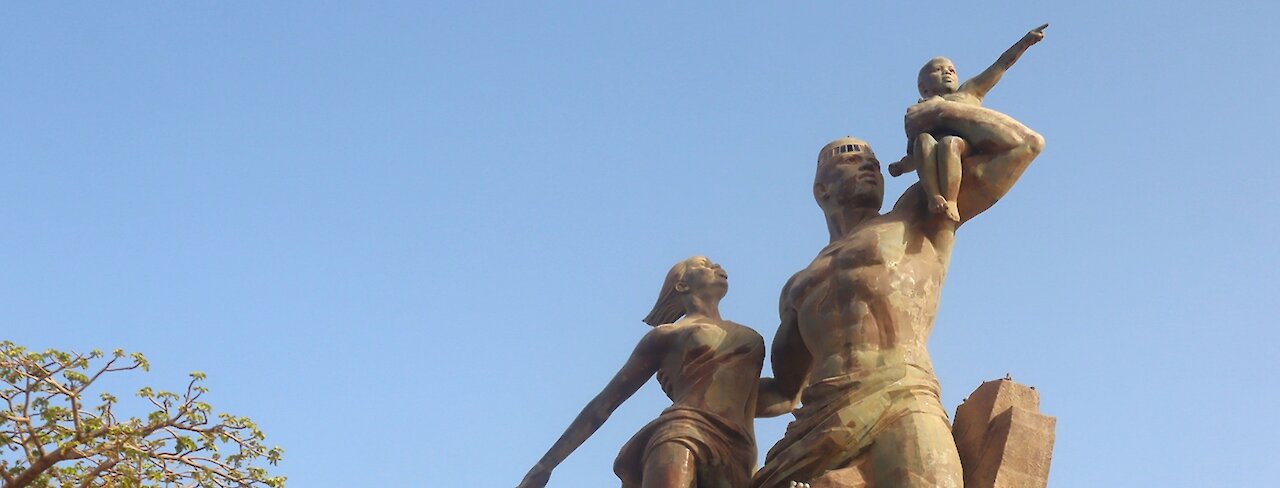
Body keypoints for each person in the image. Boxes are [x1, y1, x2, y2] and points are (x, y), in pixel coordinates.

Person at [752, 131, 1042, 487]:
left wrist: (937, 114)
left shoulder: (914, 217)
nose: (869, 167)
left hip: (904, 397)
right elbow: (784, 391)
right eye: (851, 160)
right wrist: (703, 402)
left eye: (872, 163)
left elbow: (1022, 146)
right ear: (821, 190)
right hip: (818, 422)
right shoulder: (798, 288)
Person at [517, 256, 767, 488]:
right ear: (681, 286)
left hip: (738, 448)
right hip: (682, 433)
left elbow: (776, 397)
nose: (716, 266)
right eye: (703, 265)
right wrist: (546, 464)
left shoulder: (750, 337)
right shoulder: (668, 335)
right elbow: (604, 404)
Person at [887, 24, 1047, 222]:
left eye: (952, 70)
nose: (947, 73)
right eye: (938, 70)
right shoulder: (919, 112)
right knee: (923, 141)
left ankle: (951, 200)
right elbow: (914, 154)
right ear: (923, 86)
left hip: (963, 147)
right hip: (931, 157)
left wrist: (1024, 43)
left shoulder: (967, 93)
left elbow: (1000, 66)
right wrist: (901, 166)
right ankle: (934, 195)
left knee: (950, 143)